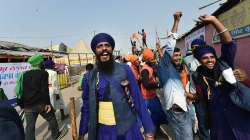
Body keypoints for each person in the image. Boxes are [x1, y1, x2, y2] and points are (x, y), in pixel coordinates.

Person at [78, 33, 155, 140]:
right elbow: (86, 107)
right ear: (95, 51)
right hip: (103, 132)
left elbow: (138, 99)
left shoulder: (124, 69)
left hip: (127, 129)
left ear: (112, 49)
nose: (104, 49)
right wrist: (81, 133)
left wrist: (148, 130)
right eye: (99, 46)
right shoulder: (89, 76)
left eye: (107, 45)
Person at [191, 15, 250, 140]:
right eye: (205, 58)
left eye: (212, 57)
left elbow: (229, 43)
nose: (210, 60)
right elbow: (202, 97)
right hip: (217, 119)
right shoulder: (197, 75)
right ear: (200, 61)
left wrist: (214, 21)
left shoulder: (224, 64)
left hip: (236, 111)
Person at [156, 11, 193, 140]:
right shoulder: (165, 66)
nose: (177, 57)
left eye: (179, 55)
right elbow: (171, 42)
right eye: (174, 55)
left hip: (179, 108)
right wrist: (176, 21)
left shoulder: (178, 68)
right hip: (177, 110)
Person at [16, 54, 66, 140]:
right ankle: (56, 135)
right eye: (41, 61)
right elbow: (44, 90)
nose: (43, 63)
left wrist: (21, 105)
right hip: (40, 104)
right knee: (51, 118)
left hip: (27, 105)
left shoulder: (24, 74)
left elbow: (19, 91)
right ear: (39, 63)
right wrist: (47, 103)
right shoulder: (43, 73)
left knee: (30, 127)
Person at [140, 48, 168, 137]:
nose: (153, 60)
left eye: (153, 58)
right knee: (150, 116)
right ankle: (151, 134)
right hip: (146, 98)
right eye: (151, 59)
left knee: (159, 113)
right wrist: (158, 85)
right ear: (147, 59)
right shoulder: (145, 70)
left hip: (152, 95)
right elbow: (146, 84)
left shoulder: (150, 67)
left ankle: (157, 130)